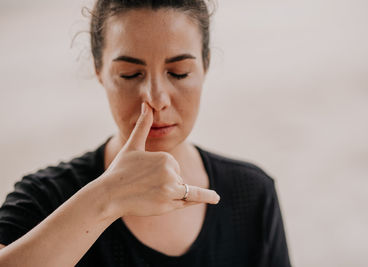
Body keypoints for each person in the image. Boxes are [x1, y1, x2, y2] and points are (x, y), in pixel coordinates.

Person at [0, 0, 291, 266]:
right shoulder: (43, 198)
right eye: (130, 74)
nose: (156, 98)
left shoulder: (252, 194)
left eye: (179, 72)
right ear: (99, 70)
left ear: (206, 65)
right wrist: (105, 199)